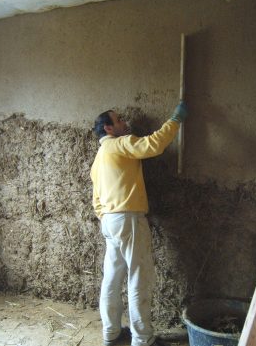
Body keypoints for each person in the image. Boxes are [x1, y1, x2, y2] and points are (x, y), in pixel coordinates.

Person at [90, 102, 188, 346]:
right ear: (108, 128)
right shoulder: (120, 144)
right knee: (138, 277)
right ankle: (143, 339)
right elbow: (152, 144)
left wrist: (106, 216)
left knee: (111, 278)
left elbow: (96, 199)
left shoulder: (99, 158)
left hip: (110, 222)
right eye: (119, 120)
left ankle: (111, 333)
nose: (125, 123)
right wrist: (175, 120)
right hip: (128, 219)